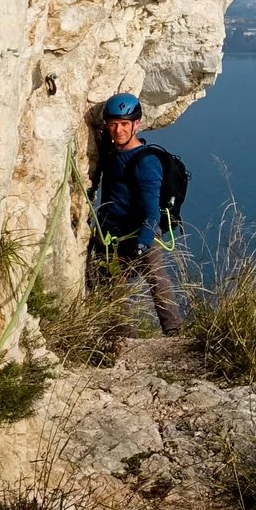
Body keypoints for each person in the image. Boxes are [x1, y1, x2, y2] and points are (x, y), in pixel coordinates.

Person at [91, 91, 182, 336]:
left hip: (141, 231)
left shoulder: (146, 162)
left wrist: (143, 243)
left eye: (124, 124)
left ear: (136, 125)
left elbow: (152, 209)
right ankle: (124, 337)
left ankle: (173, 331)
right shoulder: (112, 153)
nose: (118, 130)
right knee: (114, 287)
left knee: (157, 280)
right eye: (113, 124)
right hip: (113, 233)